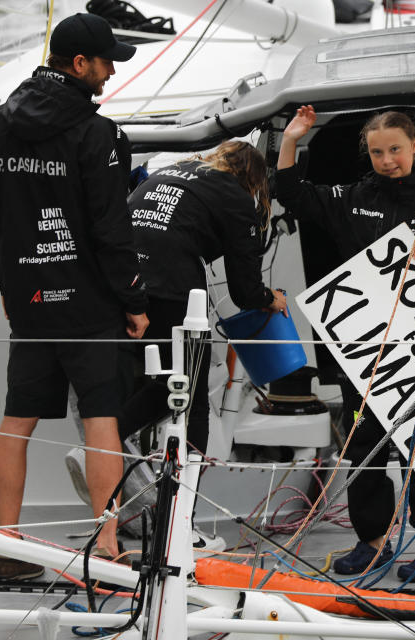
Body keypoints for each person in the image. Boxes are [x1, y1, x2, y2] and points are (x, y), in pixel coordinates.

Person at [0, 12, 148, 580]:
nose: (110, 73)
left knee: (16, 419)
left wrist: (8, 280)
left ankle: (7, 548)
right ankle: (107, 549)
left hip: (29, 299)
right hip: (88, 304)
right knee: (102, 420)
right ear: (79, 64)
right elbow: (109, 228)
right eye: (105, 63)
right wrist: (134, 299)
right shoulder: (98, 134)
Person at [276, 105, 415, 582]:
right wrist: (291, 140)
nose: (388, 160)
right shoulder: (354, 195)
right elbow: (293, 196)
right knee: (364, 445)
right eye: (378, 152)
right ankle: (373, 543)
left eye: (396, 150)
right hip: (363, 346)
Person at [117, 140, 287, 549]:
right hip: (173, 297)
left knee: (161, 388)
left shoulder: (170, 173)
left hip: (124, 293)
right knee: (191, 406)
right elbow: (246, 290)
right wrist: (270, 299)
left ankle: (105, 439)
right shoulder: (235, 196)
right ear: (255, 180)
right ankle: (181, 529)